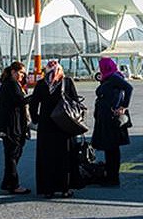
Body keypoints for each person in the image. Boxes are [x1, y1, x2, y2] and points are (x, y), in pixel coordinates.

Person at [29, 61, 82, 198]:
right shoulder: (67, 82)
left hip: (46, 126)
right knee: (64, 157)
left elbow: (33, 105)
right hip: (64, 125)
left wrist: (37, 120)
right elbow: (75, 102)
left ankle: (48, 189)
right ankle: (65, 188)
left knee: (47, 158)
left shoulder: (41, 84)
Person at [91, 57, 133, 187]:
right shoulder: (109, 78)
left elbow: (129, 88)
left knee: (112, 148)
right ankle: (110, 176)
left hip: (111, 119)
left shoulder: (114, 77)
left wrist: (123, 106)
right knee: (110, 149)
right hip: (106, 118)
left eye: (101, 67)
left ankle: (113, 178)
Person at [0, 61, 32, 195]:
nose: (22, 76)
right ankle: (14, 184)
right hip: (11, 125)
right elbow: (20, 101)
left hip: (7, 124)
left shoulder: (8, 84)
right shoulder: (12, 85)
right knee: (13, 155)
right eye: (21, 73)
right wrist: (35, 96)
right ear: (14, 72)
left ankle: (8, 182)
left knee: (12, 154)